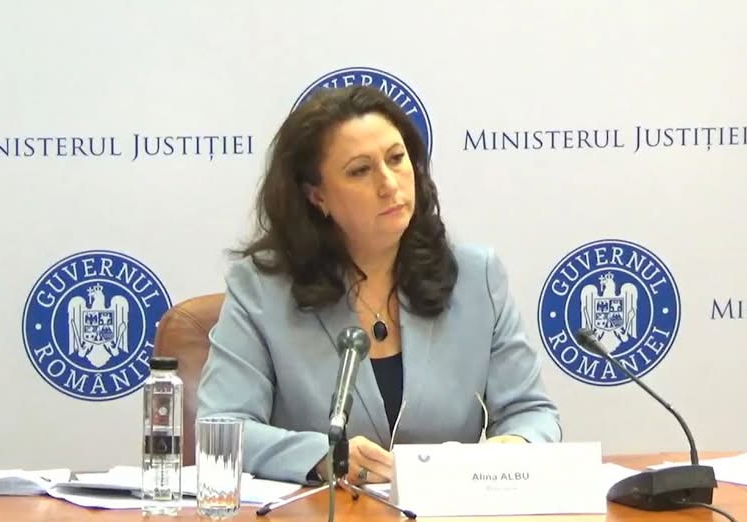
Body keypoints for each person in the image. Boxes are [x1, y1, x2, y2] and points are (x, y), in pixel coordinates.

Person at [196, 85, 561, 486]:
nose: (389, 183)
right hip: (325, 511)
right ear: (317, 196)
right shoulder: (261, 290)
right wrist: (323, 457)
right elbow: (222, 427)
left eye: (396, 159)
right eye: (360, 170)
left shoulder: (477, 277)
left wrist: (515, 445)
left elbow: (532, 413)